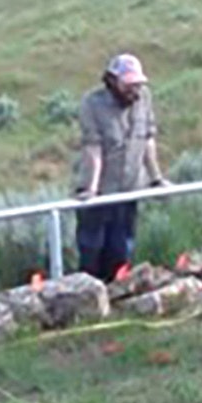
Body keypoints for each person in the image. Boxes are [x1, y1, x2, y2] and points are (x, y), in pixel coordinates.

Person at [75, 53, 169, 282]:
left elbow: (147, 138)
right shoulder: (92, 104)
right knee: (92, 247)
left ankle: (117, 293)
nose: (133, 90)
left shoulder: (143, 98)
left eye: (137, 85)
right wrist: (92, 189)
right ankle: (89, 294)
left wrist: (156, 178)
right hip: (101, 192)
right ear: (112, 82)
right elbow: (93, 148)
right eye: (128, 85)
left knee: (122, 247)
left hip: (129, 189)